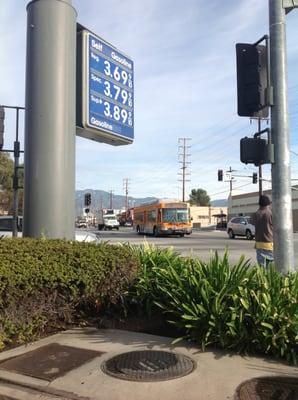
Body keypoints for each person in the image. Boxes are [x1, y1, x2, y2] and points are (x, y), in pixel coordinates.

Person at [251, 195, 273, 267]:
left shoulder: (255, 214)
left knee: (262, 268)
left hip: (259, 244)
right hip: (270, 243)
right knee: (272, 268)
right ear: (268, 204)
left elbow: (253, 223)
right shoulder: (270, 214)